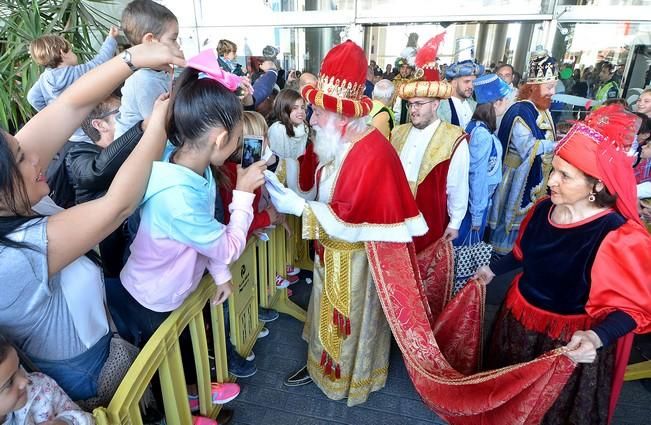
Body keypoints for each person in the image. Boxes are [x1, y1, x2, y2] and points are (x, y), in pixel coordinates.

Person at [0, 40, 184, 404]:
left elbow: (70, 104)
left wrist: (131, 59)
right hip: (87, 372)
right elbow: (115, 207)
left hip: (103, 336)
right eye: (22, 158)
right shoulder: (11, 260)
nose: (37, 156)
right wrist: (155, 131)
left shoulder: (13, 191)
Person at [263, 40, 427, 406]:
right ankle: (319, 365)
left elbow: (348, 218)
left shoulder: (370, 151)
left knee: (346, 320)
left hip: (355, 263)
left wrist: (299, 208)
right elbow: (326, 195)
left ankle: (344, 380)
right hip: (330, 252)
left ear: (343, 116)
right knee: (325, 311)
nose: (313, 118)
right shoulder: (337, 141)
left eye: (319, 111)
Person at [475, 104, 651, 425]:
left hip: (567, 341)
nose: (551, 180)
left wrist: (597, 339)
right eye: (552, 169)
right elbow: (524, 253)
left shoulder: (617, 235)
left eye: (564, 175)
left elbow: (632, 310)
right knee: (507, 399)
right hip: (517, 320)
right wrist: (492, 271)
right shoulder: (543, 209)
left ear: (597, 185)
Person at [391, 37, 469, 250]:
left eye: (419, 104)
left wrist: (455, 222)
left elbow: (457, 184)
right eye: (410, 104)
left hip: (429, 221)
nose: (413, 109)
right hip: (395, 220)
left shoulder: (454, 138)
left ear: (435, 104)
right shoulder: (397, 133)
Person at [489, 50, 558, 255]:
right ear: (534, 88)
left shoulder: (542, 109)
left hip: (531, 171)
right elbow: (528, 146)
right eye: (549, 87)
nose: (553, 92)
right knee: (507, 216)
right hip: (514, 172)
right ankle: (500, 255)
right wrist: (556, 145)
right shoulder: (521, 110)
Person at [27, 27, 119, 142]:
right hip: (92, 131)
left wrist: (52, 114)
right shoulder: (75, 73)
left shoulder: (44, 78)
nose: (73, 53)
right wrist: (111, 38)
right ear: (62, 53)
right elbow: (100, 62)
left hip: (70, 133)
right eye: (71, 50)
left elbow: (32, 97)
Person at [454, 74, 511, 245]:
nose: (507, 103)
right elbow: (476, 176)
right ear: (495, 103)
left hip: (476, 203)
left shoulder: (477, 127)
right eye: (505, 99)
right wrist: (477, 215)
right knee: (466, 252)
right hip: (475, 205)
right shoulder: (482, 135)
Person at [113, 0, 182, 139]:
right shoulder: (144, 80)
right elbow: (159, 125)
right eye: (173, 39)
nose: (178, 45)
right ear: (150, 40)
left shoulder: (159, 70)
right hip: (133, 150)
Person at [0, 334, 93, 425]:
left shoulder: (40, 386)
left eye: (19, 366)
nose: (24, 381)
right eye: (9, 383)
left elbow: (83, 417)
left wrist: (65, 422)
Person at [438, 38, 484, 129]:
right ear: (454, 83)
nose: (471, 86)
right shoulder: (441, 107)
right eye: (466, 81)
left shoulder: (475, 106)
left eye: (473, 82)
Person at [268, 89, 309, 159]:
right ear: (284, 110)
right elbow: (276, 161)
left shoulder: (304, 128)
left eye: (302, 107)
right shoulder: (278, 129)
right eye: (295, 108)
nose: (300, 111)